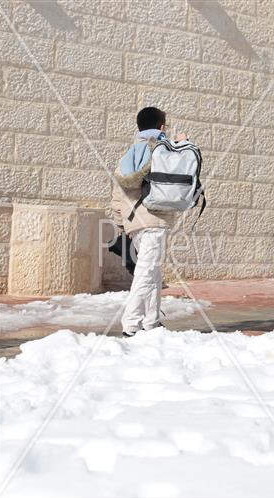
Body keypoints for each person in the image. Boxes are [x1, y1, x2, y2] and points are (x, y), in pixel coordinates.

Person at [111, 107, 186, 337]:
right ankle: (131, 325)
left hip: (134, 222)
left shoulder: (128, 155)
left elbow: (117, 194)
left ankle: (152, 322)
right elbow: (181, 173)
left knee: (153, 272)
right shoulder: (162, 151)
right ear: (162, 127)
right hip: (154, 220)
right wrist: (182, 144)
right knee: (146, 272)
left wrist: (121, 224)